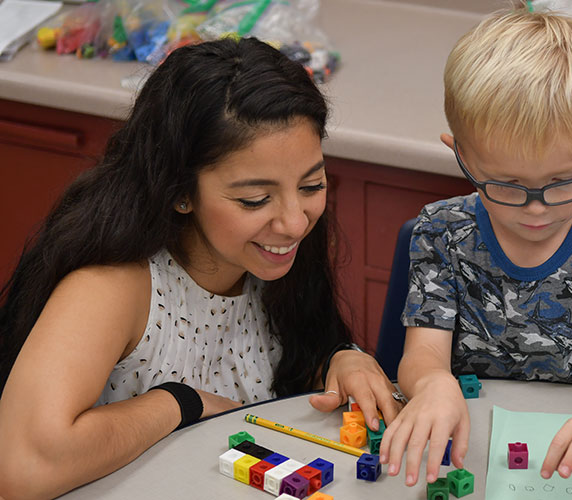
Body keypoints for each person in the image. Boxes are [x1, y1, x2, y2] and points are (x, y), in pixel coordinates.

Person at [0, 38, 398, 499]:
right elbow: (20, 468)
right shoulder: (113, 287)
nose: (294, 222)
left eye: (312, 185)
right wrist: (179, 403)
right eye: (255, 199)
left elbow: (287, 369)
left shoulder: (268, 259)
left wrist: (339, 359)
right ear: (180, 192)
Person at [379, 7, 572, 491]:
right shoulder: (441, 232)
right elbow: (423, 353)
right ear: (461, 153)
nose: (537, 208)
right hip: (478, 451)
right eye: (507, 184)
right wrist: (432, 383)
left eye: (563, 180)